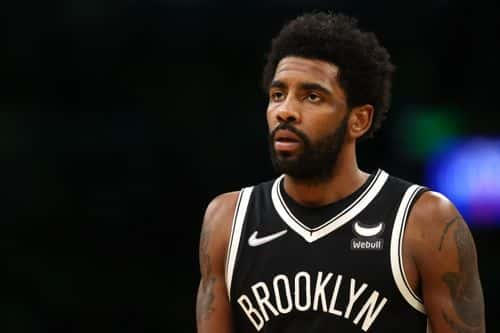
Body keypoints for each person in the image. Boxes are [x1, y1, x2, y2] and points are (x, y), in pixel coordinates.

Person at [196, 12, 485, 333]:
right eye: (278, 95)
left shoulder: (425, 221)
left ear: (358, 120)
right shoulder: (227, 219)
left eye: (312, 96)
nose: (285, 111)